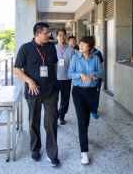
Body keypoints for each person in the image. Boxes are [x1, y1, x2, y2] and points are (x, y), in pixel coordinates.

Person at [13, 22, 60, 167]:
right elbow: (16, 68)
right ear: (37, 34)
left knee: (51, 122)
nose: (49, 35)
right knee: (34, 121)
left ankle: (52, 154)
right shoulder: (25, 48)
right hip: (33, 91)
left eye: (49, 33)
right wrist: (30, 81)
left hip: (51, 90)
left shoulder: (51, 47)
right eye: (46, 33)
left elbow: (54, 65)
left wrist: (52, 80)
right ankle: (35, 149)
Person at [67, 36, 103, 164]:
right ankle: (84, 152)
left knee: (86, 118)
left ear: (90, 47)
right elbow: (69, 73)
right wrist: (80, 74)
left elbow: (101, 73)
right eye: (80, 43)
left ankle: (84, 136)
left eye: (84, 44)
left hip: (91, 92)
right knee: (82, 120)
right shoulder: (75, 58)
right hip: (78, 92)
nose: (80, 46)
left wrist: (95, 74)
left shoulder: (96, 58)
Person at [55, 29, 75, 125]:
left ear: (66, 36)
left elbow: (73, 64)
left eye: (63, 35)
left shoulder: (71, 49)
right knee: (54, 99)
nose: (62, 37)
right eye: (60, 35)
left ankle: (61, 116)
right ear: (57, 37)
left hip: (66, 79)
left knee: (65, 100)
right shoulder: (54, 48)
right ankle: (54, 117)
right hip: (55, 79)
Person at [89, 36, 104, 119]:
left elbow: (101, 64)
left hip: (97, 76)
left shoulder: (98, 52)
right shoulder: (85, 52)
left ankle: (94, 110)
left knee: (96, 94)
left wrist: (102, 75)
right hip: (88, 78)